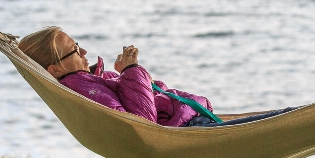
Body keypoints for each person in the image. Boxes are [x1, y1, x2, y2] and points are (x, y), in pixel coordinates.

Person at [18, 27, 293, 127]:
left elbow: (146, 98)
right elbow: (143, 122)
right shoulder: (84, 89)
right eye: (75, 50)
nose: (84, 51)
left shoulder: (90, 82)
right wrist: (131, 71)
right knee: (287, 122)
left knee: (285, 122)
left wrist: (122, 75)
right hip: (188, 133)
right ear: (54, 69)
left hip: (191, 124)